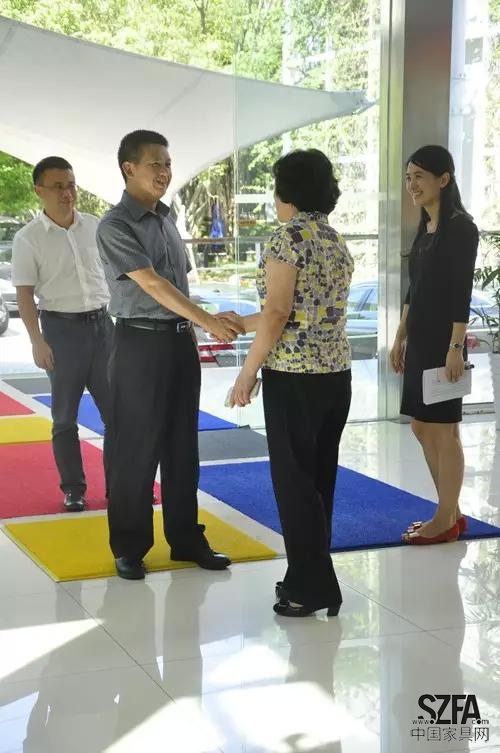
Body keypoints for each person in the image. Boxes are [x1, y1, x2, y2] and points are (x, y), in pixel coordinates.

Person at [96, 129, 242, 580]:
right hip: (138, 344)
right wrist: (207, 320)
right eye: (155, 163)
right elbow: (153, 284)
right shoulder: (115, 225)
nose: (165, 171)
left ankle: (186, 539)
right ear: (129, 168)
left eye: (167, 163)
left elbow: (179, 287)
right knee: (135, 450)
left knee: (183, 449)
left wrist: (200, 323)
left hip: (179, 343)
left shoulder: (167, 218)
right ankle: (129, 546)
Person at [224, 149, 353, 617]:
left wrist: (247, 372)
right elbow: (299, 311)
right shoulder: (334, 239)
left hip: (295, 378)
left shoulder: (288, 237)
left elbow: (279, 314)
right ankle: (305, 578)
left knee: (295, 486)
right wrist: (242, 323)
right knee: (318, 483)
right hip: (335, 376)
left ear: (287, 192)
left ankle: (314, 587)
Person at [12, 156, 112, 512]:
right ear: (39, 190)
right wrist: (37, 341)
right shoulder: (28, 239)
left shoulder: (95, 227)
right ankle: (74, 489)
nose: (67, 193)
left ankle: (123, 487)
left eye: (71, 185)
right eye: (58, 187)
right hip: (60, 331)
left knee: (118, 414)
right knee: (65, 418)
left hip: (104, 328)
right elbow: (25, 294)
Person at [390, 145, 479, 545]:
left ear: (444, 179)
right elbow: (416, 288)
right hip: (422, 339)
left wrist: (455, 347)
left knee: (444, 429)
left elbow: (461, 291)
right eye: (409, 177)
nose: (412, 185)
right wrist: (400, 335)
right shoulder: (426, 226)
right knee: (422, 425)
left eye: (419, 177)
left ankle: (445, 518)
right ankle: (450, 511)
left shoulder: (461, 227)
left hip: (445, 341)